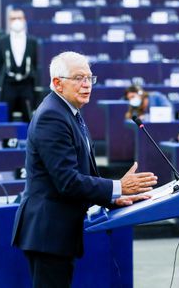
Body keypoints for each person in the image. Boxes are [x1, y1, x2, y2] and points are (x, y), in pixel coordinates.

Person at [11, 51, 157, 287]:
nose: (87, 84)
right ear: (58, 83)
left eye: (90, 78)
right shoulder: (52, 116)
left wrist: (113, 197)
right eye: (79, 78)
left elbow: (84, 174)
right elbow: (67, 181)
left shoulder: (70, 112)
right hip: (48, 232)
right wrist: (118, 186)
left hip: (56, 231)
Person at [0, 9, 38, 122]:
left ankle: (30, 140)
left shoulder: (32, 41)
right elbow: (0, 64)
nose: (16, 21)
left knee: (30, 118)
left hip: (27, 86)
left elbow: (34, 64)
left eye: (19, 18)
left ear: (24, 20)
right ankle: (6, 140)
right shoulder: (2, 41)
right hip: (8, 85)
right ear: (9, 21)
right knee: (5, 118)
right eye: (13, 18)